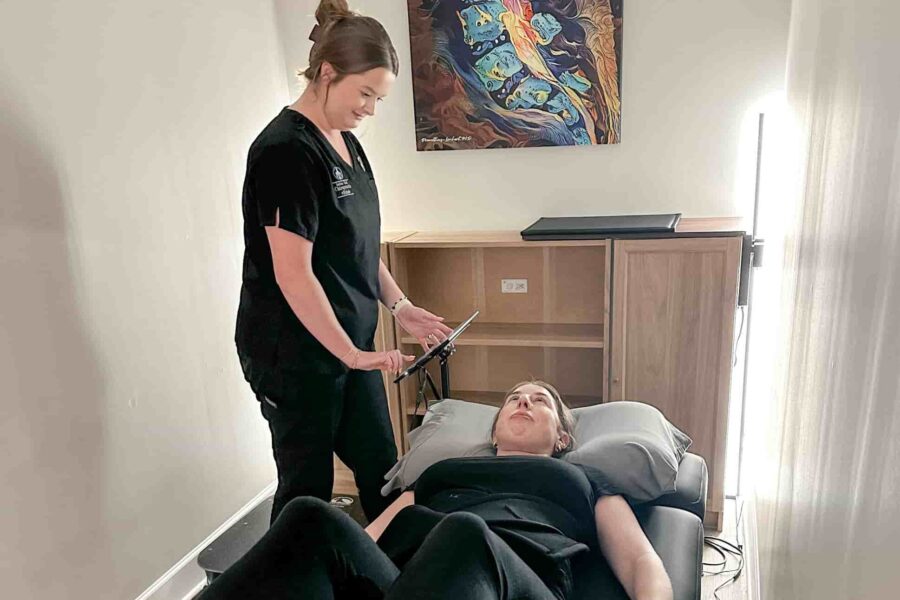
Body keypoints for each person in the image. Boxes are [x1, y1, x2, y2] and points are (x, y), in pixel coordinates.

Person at [234, 0, 453, 524]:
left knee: (383, 472)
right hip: (293, 355)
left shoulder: (348, 145)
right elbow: (293, 273)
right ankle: (291, 568)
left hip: (349, 348)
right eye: (365, 94)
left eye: (379, 98)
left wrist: (400, 306)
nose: (370, 109)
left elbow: (359, 247)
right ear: (328, 73)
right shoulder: (285, 151)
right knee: (306, 492)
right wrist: (352, 356)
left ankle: (392, 564)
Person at [201, 381, 675, 600]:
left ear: (563, 439)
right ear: (494, 432)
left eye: (539, 401)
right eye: (513, 399)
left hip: (516, 577)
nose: (523, 403)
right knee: (311, 516)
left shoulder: (583, 480)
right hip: (407, 576)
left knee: (461, 533)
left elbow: (639, 560)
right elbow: (367, 541)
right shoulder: (441, 472)